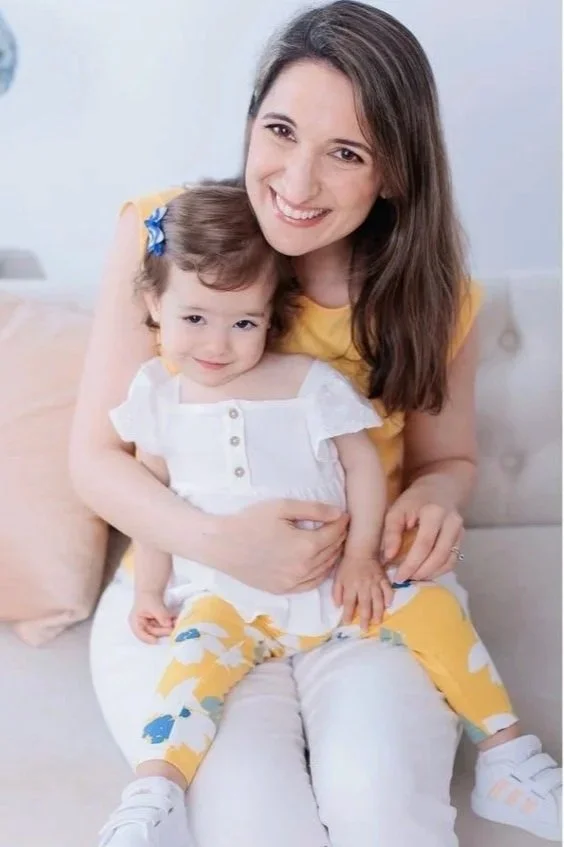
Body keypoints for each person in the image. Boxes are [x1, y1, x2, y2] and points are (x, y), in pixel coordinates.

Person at [73, 3, 561, 845]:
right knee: (253, 819)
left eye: (345, 153)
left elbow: (447, 459)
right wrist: (221, 542)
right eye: (281, 130)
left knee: (380, 804)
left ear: (395, 174)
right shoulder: (166, 237)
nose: (297, 184)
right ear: (250, 121)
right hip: (198, 591)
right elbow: (96, 457)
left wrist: (438, 499)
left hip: (357, 590)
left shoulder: (435, 301)